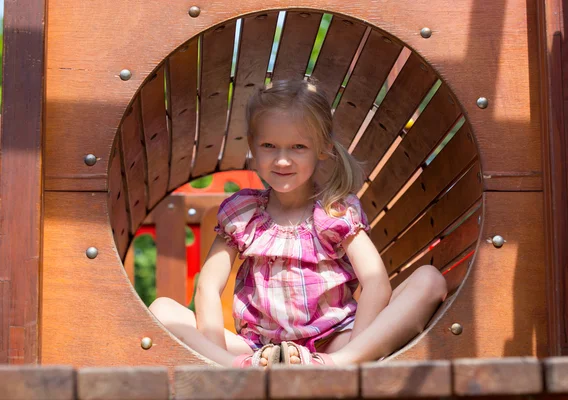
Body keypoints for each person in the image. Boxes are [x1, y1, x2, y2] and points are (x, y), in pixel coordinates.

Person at [149, 80, 447, 367]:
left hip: (333, 344)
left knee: (430, 280)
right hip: (258, 352)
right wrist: (218, 355)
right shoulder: (243, 214)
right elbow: (209, 288)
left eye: (297, 147)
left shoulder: (336, 211)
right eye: (269, 145)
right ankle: (236, 369)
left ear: (322, 148)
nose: (282, 160)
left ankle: (343, 366)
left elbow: (376, 283)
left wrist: (356, 347)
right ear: (252, 145)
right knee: (162, 309)